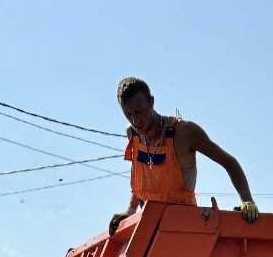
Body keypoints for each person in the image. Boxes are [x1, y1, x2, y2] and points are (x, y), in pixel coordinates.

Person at [108, 77, 259, 236]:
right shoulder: (132, 133)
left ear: (151, 102)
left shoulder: (184, 132)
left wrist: (247, 201)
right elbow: (141, 178)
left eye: (140, 112)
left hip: (184, 228)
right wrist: (130, 210)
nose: (135, 121)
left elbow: (230, 163)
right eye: (128, 114)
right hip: (151, 227)